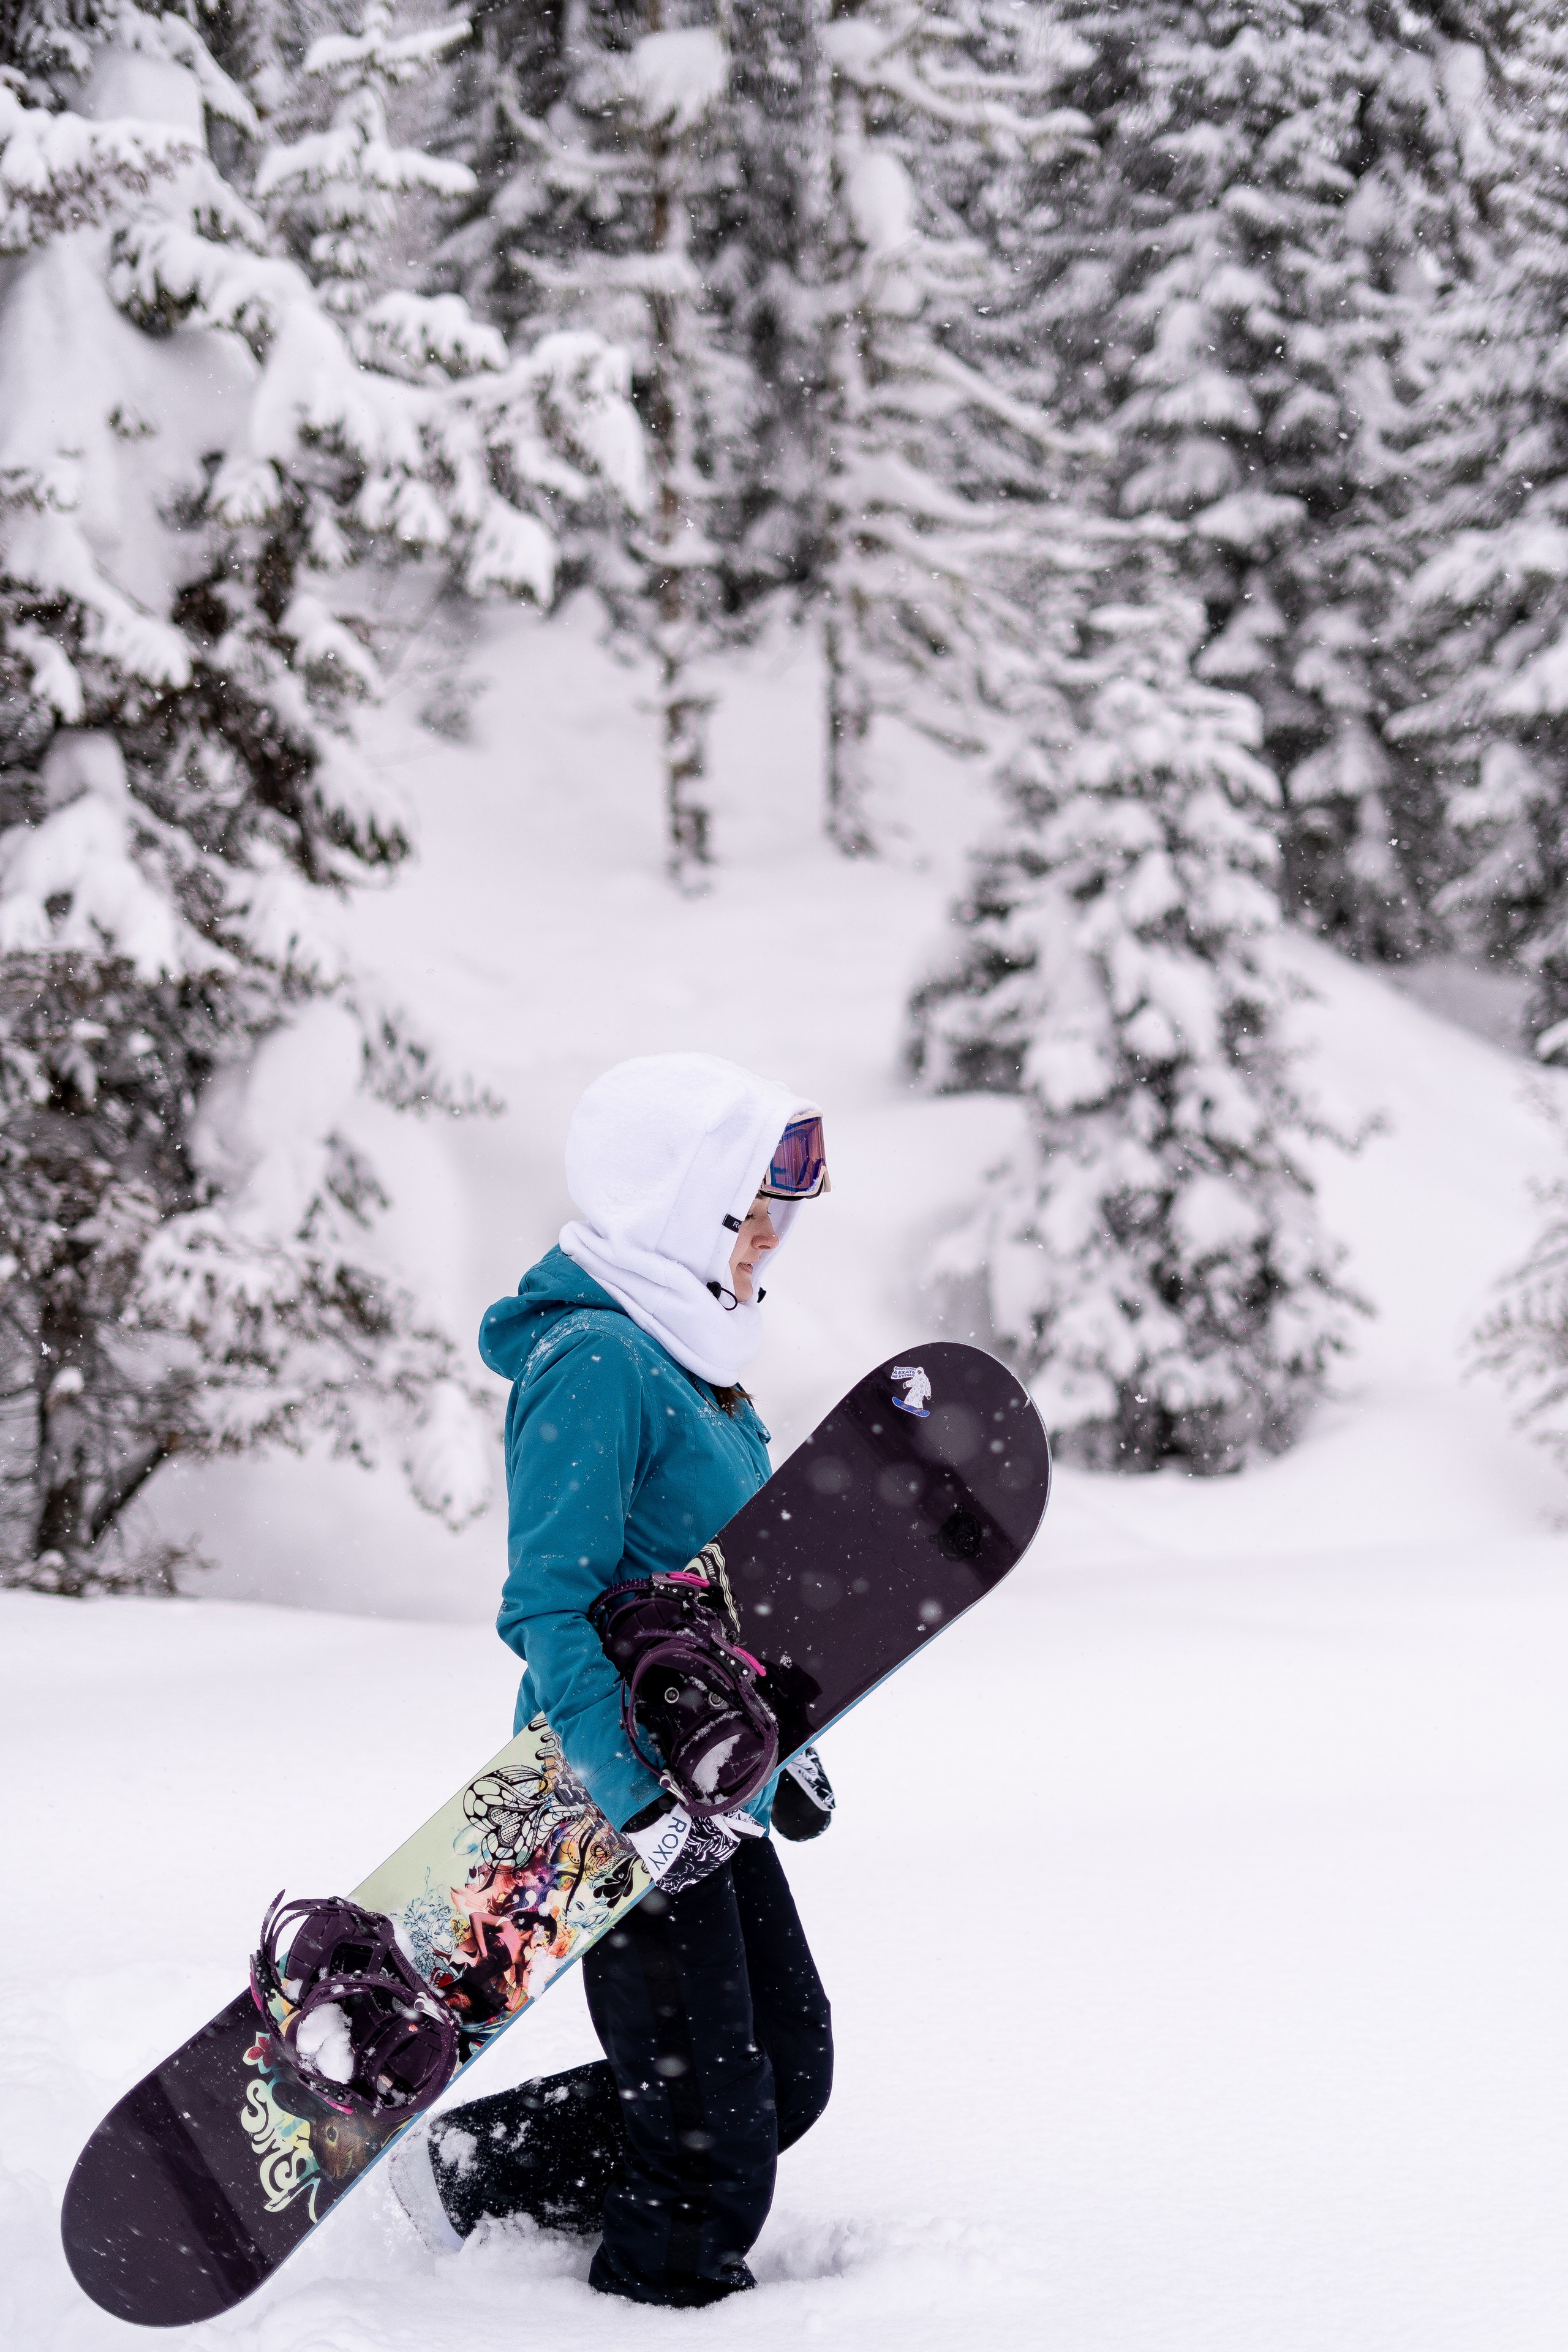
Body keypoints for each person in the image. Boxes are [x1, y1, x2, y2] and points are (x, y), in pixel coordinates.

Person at [390, 1053, 836, 2307]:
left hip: (710, 1789)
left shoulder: (695, 1360)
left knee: (785, 2071)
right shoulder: (595, 1361)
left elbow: (715, 1597)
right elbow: (546, 1600)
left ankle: (472, 2169)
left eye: (775, 1218)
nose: (767, 1243)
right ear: (680, 1205)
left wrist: (785, 1745)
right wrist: (632, 1800)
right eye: (751, 1213)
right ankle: (656, 2306)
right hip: (616, 1800)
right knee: (709, 2165)